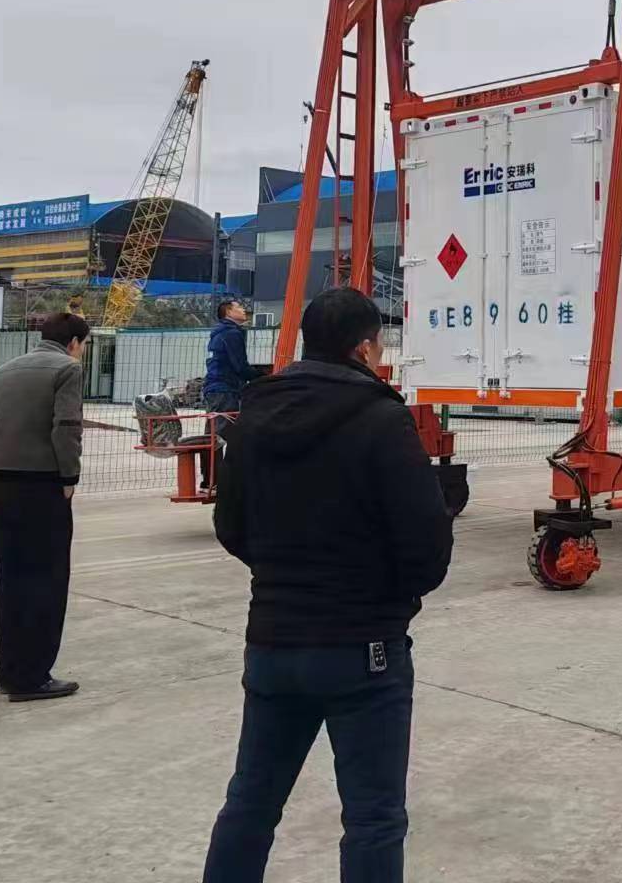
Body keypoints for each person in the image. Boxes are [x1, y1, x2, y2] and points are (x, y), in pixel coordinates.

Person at [204, 287, 454, 883]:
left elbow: (230, 526)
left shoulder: (253, 417)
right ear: (364, 347)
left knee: (251, 802)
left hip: (272, 640)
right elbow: (427, 544)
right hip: (362, 648)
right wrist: (391, 600)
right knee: (373, 818)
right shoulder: (382, 418)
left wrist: (280, 576)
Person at [0, 310, 89, 703]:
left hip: (3, 485)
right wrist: (68, 478)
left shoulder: (3, 371)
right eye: (83, 346)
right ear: (74, 343)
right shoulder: (67, 369)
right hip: (43, 485)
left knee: (12, 578)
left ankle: (10, 670)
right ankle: (33, 677)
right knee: (46, 580)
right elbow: (66, 427)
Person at [202, 299, 257, 488]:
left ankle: (211, 479)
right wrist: (262, 375)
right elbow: (240, 366)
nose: (243, 310)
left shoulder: (220, 333)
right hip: (225, 389)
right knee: (224, 434)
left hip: (216, 389)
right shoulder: (232, 334)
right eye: (239, 307)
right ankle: (218, 480)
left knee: (214, 435)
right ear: (228, 312)